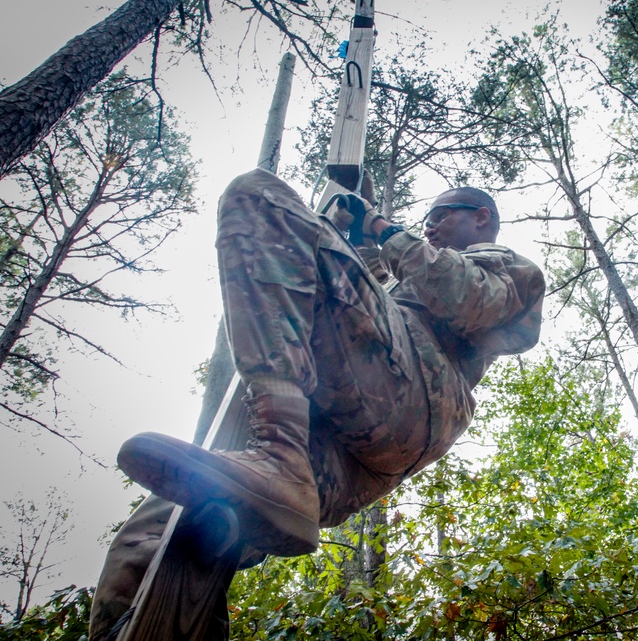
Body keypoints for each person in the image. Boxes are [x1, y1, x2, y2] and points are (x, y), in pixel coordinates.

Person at [88, 168, 545, 640]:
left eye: (440, 215)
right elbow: (344, 282)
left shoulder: (509, 266)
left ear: (481, 217)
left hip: (414, 401)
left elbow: (468, 298)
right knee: (164, 523)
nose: (428, 224)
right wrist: (355, 222)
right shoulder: (403, 277)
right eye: (427, 218)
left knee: (259, 196)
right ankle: (127, 627)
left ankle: (278, 455)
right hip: (339, 458)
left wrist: (382, 228)